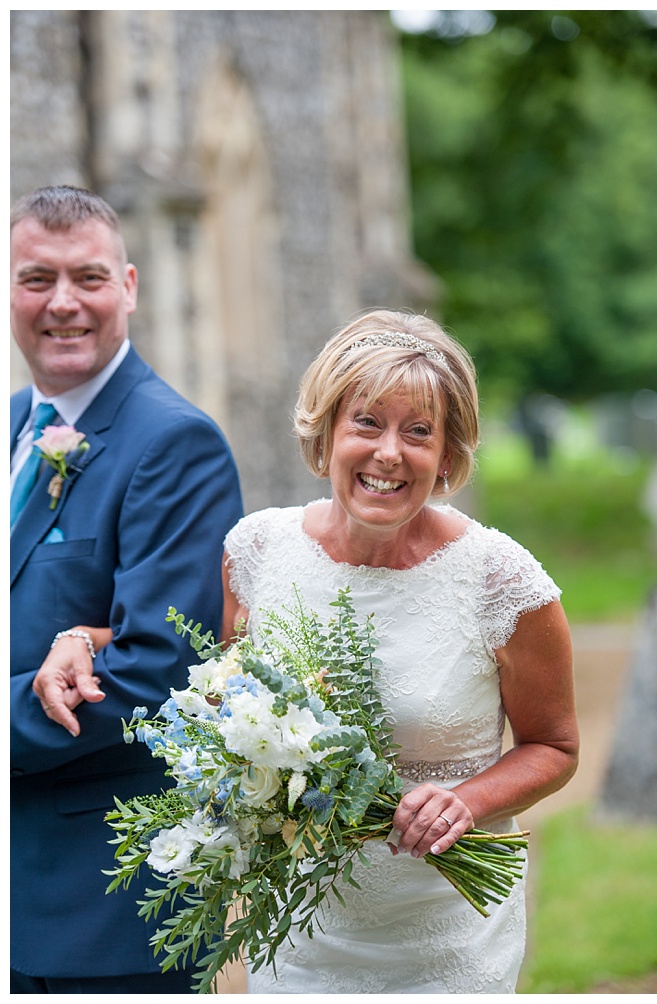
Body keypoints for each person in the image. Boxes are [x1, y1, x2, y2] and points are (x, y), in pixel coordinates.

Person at [221, 308, 579, 994]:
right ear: (325, 432)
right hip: (301, 929)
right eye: (366, 423)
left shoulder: (502, 581)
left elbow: (555, 748)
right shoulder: (254, 552)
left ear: (446, 456)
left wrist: (466, 801)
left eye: (417, 432)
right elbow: (231, 703)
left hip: (445, 934)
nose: (389, 453)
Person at [10, 185, 244, 994]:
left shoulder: (173, 442)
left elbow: (156, 672)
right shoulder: (14, 424)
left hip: (95, 902)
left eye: (90, 278)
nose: (63, 303)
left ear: (131, 287)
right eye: (37, 278)